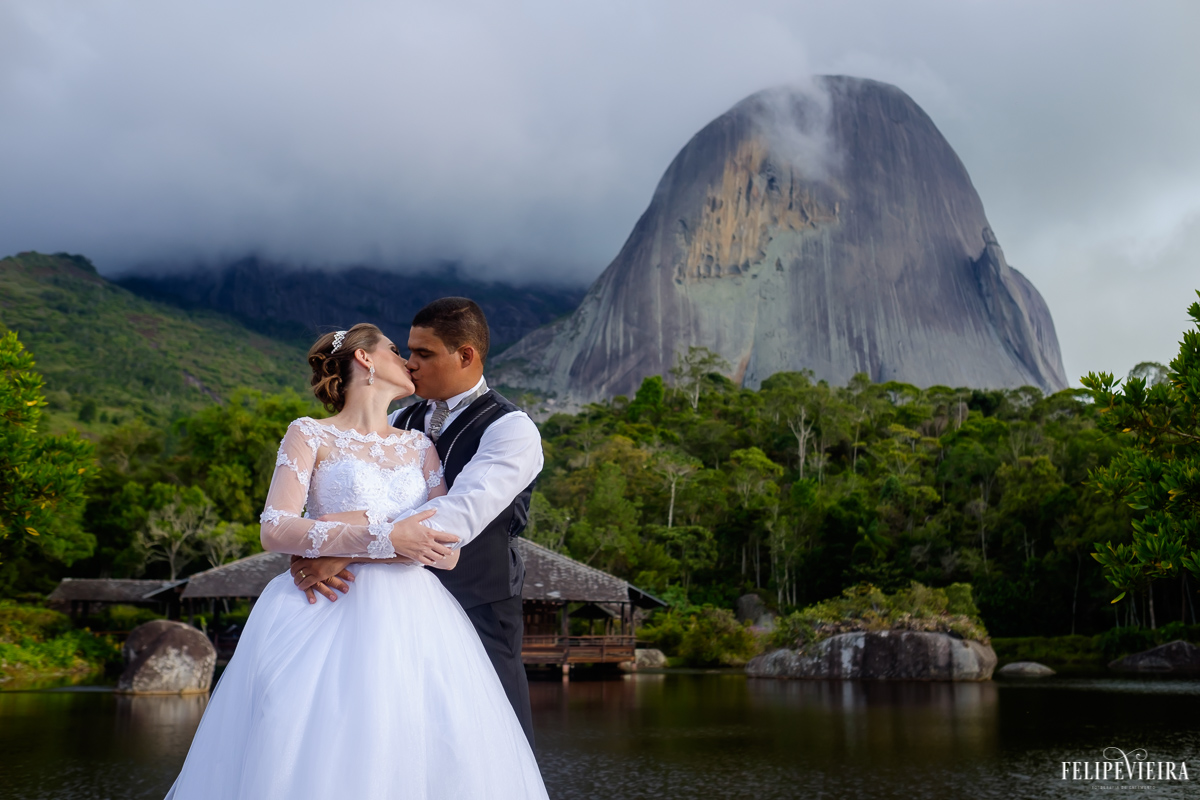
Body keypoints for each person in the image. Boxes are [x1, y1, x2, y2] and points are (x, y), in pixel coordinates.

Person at [164, 323, 548, 800]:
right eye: (397, 350)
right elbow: (275, 527)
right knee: (310, 737)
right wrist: (378, 529)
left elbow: (446, 544)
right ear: (365, 359)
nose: (407, 361)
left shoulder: (427, 445)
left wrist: (354, 537)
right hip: (321, 609)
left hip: (419, 616)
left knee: (430, 745)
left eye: (419, 353)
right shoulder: (310, 432)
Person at [288, 298, 543, 746]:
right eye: (408, 351)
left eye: (424, 354)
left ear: (465, 355)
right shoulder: (400, 419)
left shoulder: (511, 429)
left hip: (478, 605)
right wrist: (318, 538)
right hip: (389, 611)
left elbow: (457, 516)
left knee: (493, 745)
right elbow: (358, 493)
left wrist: (342, 549)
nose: (410, 363)